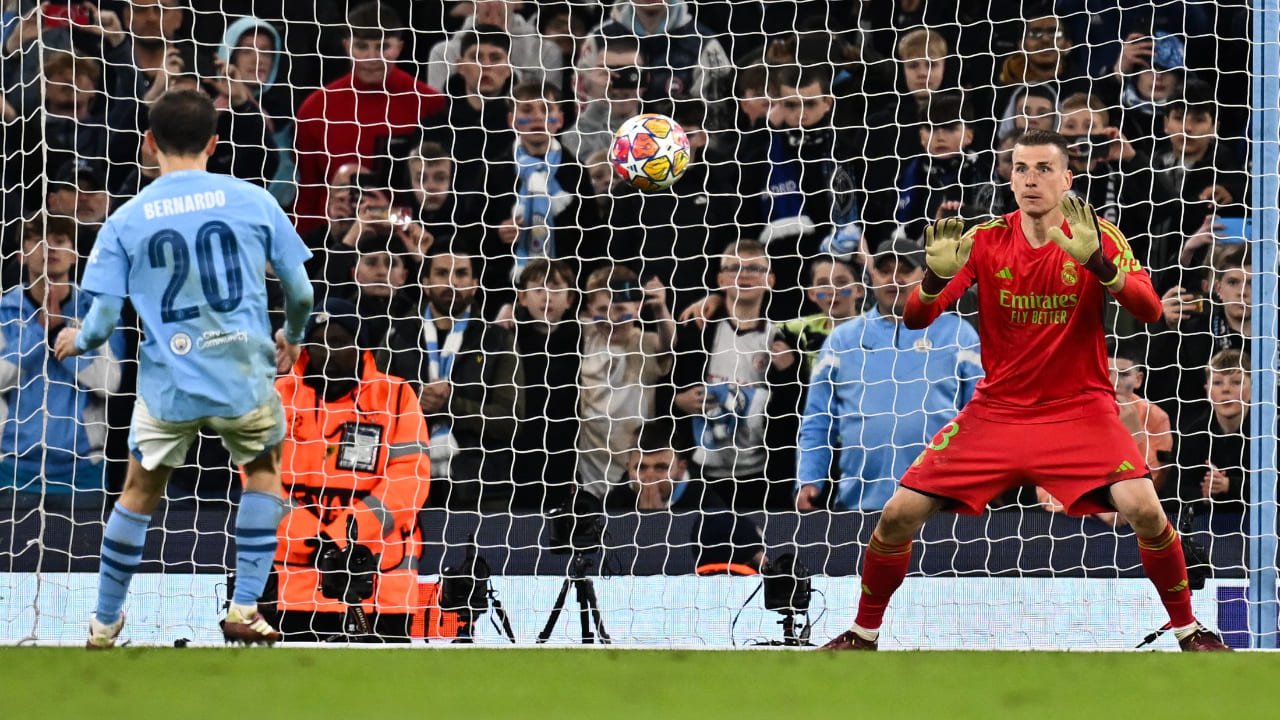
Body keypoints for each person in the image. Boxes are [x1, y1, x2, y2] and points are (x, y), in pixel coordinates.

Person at [820, 128, 1230, 652]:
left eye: (1042, 169)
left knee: (1146, 510)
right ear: (1008, 176)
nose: (1030, 179)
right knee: (898, 514)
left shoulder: (1098, 234)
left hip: (1080, 410)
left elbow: (1150, 310)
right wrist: (930, 279)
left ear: (1067, 178)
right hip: (998, 413)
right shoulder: (985, 238)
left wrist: (1098, 265)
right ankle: (863, 632)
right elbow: (918, 317)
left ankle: (1189, 630)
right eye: (1020, 169)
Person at [53, 89, 315, 648]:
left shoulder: (126, 219)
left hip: (169, 382)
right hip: (243, 376)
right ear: (215, 145)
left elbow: (102, 320)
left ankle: (103, 623)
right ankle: (245, 607)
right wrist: (291, 337)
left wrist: (77, 339)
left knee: (139, 493)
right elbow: (301, 290)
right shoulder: (253, 200)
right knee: (263, 474)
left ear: (148, 143)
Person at [273, 298, 431, 641]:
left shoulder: (397, 395)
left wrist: (348, 534)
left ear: (361, 347)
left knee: (387, 690)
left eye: (340, 341)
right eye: (318, 341)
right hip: (293, 579)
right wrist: (311, 538)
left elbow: (410, 476)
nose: (328, 351)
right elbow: (258, 479)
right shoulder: (277, 396)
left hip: (379, 579)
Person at [796, 239, 981, 512]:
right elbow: (817, 420)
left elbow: (980, 416)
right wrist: (809, 479)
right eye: (885, 270)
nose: (895, 278)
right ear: (872, 276)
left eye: (905, 269)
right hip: (859, 506)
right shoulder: (841, 341)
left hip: (942, 507)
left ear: (925, 275)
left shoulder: (958, 334)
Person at [0, 213, 124, 494]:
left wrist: (60, 336)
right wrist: (37, 333)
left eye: (59, 240)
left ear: (74, 255)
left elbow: (109, 383)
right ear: (21, 254)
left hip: (83, 470)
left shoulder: (97, 312)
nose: (50, 248)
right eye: (39, 240)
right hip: (11, 467)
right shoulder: (4, 312)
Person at [1170, 349, 1251, 517]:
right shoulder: (1193, 433)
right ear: (1207, 390)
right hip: (1209, 523)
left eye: (1236, 382)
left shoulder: (1269, 433)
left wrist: (1230, 485)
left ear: (1253, 388)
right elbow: (1176, 489)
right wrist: (1205, 495)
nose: (1226, 390)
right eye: (1218, 383)